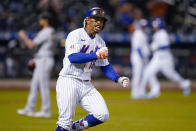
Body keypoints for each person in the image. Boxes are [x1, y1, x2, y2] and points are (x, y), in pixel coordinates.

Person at [55, 7, 129, 131]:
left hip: (86, 84)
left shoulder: (100, 42)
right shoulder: (75, 34)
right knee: (64, 123)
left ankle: (75, 127)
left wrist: (118, 78)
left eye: (101, 20)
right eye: (96, 19)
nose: (99, 22)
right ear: (87, 20)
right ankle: (69, 127)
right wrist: (96, 55)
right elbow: (73, 57)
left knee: (102, 114)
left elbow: (104, 65)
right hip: (69, 80)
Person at [139, 17, 190, 99]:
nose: (153, 26)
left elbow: (166, 45)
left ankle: (185, 84)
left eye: (155, 25)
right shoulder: (156, 34)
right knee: (147, 72)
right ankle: (150, 92)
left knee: (171, 75)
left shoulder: (163, 33)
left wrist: (157, 47)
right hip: (157, 58)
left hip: (165, 58)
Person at [17, 12, 55, 117]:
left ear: (46, 20)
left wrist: (24, 36)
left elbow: (31, 45)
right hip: (42, 59)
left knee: (43, 86)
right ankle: (29, 108)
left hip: (44, 59)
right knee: (34, 85)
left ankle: (46, 111)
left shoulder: (46, 31)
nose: (40, 21)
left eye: (41, 19)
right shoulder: (51, 31)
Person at [130, 19, 157, 99]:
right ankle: (134, 93)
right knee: (137, 75)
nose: (145, 28)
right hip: (137, 57)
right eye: (143, 27)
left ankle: (141, 92)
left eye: (145, 27)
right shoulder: (138, 34)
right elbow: (137, 48)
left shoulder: (143, 34)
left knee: (144, 75)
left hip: (142, 57)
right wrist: (142, 58)